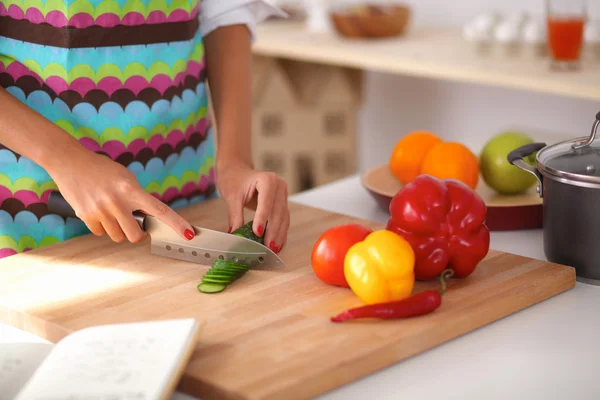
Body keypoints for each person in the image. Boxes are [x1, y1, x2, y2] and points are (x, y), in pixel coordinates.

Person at [0, 0, 290, 259]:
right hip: (30, 205)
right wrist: (64, 158)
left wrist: (235, 161)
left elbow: (225, 10)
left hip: (180, 192)